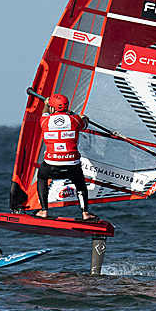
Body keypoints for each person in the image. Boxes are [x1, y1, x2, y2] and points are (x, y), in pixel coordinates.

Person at [35, 93, 98, 221]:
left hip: (51, 166)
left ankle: (43, 211)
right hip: (72, 166)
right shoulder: (75, 120)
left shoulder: (45, 121)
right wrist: (84, 118)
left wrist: (46, 104)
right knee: (80, 183)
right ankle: (85, 213)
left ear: (52, 107)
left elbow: (45, 112)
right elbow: (85, 123)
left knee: (41, 177)